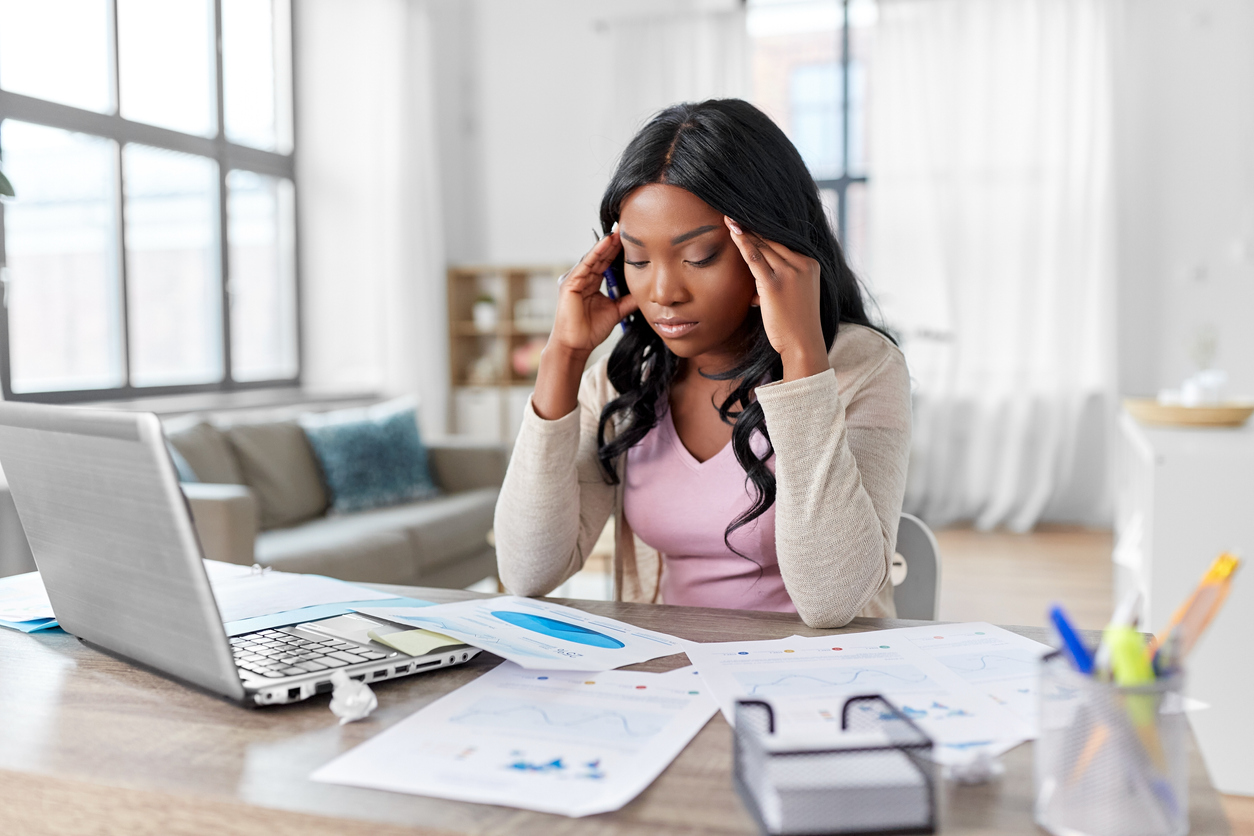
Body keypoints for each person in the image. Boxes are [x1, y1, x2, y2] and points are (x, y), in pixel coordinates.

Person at [493, 99, 911, 628]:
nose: (663, 292)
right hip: (672, 677)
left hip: (817, 685)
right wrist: (564, 358)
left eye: (699, 258)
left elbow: (832, 601)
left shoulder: (864, 367)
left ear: (772, 248)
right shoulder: (625, 382)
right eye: (639, 260)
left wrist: (802, 359)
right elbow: (528, 570)